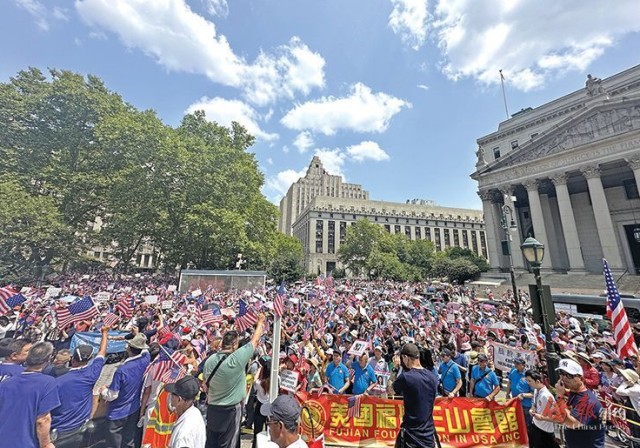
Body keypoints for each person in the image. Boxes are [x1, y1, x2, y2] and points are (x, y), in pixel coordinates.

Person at [203, 313, 266, 448]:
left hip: (213, 409)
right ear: (234, 346)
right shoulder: (236, 360)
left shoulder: (209, 361)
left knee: (211, 443)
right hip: (231, 411)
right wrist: (260, 322)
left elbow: (205, 385)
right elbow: (254, 341)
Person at [50, 325, 109, 448]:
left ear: (72, 359)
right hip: (77, 428)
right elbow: (102, 351)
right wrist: (105, 333)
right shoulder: (91, 374)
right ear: (90, 359)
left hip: (58, 430)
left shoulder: (56, 381)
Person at [0, 341, 60, 448]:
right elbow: (43, 420)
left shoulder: (5, 383)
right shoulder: (48, 383)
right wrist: (46, 444)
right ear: (48, 359)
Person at [100, 333, 151, 448]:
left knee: (114, 443)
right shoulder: (145, 360)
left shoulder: (121, 370)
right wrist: (139, 337)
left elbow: (112, 395)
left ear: (128, 348)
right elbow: (146, 351)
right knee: (129, 440)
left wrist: (103, 390)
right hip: (133, 408)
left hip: (117, 412)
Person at [392, 343, 438, 448]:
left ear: (406, 357)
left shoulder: (406, 377)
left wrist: (395, 369)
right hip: (428, 434)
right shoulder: (433, 377)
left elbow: (390, 390)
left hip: (411, 435)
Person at [554, 358, 605, 448]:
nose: (564, 378)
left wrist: (559, 397)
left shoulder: (589, 401)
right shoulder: (573, 393)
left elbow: (572, 423)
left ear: (581, 378)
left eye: (569, 375)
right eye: (561, 373)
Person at [166, 375, 206, 448]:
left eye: (172, 395)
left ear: (179, 400)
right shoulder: (196, 413)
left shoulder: (182, 437)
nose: (170, 398)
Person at [525, 369, 559, 448]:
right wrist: (532, 409)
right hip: (535, 426)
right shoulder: (536, 390)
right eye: (527, 380)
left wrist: (541, 418)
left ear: (537, 381)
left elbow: (557, 417)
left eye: (530, 381)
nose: (528, 383)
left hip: (545, 432)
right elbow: (535, 404)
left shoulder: (547, 396)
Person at [615, 369, 640, 448]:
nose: (622, 378)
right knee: (633, 428)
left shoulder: (635, 389)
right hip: (633, 410)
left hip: (636, 412)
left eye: (624, 377)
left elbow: (619, 391)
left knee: (636, 429)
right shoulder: (634, 387)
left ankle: (636, 445)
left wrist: (625, 383)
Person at [507, 358, 534, 425]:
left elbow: (533, 394)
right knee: (515, 423)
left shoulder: (528, 375)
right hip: (514, 402)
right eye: (515, 363)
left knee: (526, 424)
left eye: (518, 363)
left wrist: (523, 395)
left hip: (525, 405)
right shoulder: (513, 371)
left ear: (523, 365)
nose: (516, 365)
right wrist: (507, 393)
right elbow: (509, 382)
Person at [253, 357, 271, 448]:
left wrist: (259, 369)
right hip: (270, 407)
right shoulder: (275, 380)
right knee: (270, 433)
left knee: (257, 431)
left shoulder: (259, 383)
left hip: (260, 406)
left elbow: (254, 379)